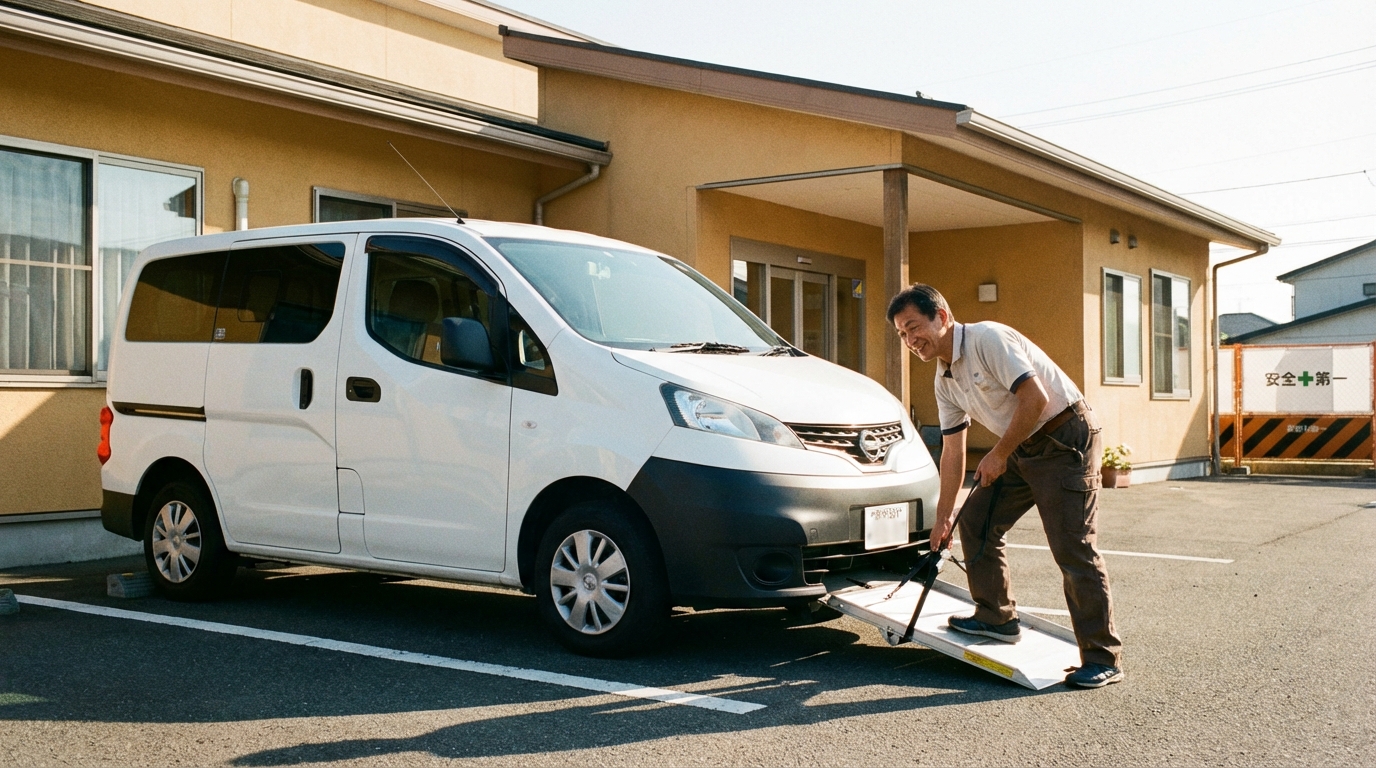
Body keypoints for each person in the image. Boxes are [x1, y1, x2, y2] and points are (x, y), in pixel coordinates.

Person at [888, 283, 1124, 689]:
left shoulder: (987, 338)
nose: (911, 341)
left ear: (941, 317)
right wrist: (943, 517)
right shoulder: (944, 380)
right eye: (902, 335)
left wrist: (998, 454)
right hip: (1020, 443)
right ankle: (995, 616)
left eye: (914, 327)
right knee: (975, 520)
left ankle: (1103, 657)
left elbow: (1035, 397)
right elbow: (952, 452)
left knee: (1073, 547)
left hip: (1063, 435)